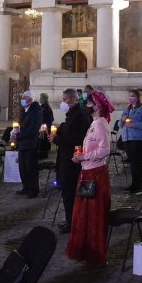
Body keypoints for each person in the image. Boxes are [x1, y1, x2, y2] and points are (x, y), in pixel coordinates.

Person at [66, 89, 112, 265]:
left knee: (94, 216)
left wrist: (84, 157)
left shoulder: (101, 123)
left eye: (90, 103)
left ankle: (96, 253)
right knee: (83, 214)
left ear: (98, 105)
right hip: (87, 171)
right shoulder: (94, 123)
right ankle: (85, 249)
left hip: (96, 174)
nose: (87, 105)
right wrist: (79, 156)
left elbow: (104, 150)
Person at [52, 88, 90, 235]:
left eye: (64, 100)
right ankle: (70, 220)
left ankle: (73, 222)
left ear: (72, 99)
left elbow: (76, 139)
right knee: (67, 194)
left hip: (72, 162)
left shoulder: (80, 115)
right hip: (66, 159)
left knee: (70, 193)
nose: (63, 102)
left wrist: (56, 139)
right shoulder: (72, 114)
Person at [119, 88, 142, 194]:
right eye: (129, 96)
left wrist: (134, 124)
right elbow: (120, 124)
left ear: (138, 97)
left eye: (133, 96)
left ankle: (139, 186)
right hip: (127, 138)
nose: (131, 98)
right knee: (132, 164)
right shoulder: (127, 108)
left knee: (138, 163)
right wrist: (122, 120)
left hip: (138, 139)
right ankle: (133, 185)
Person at [13, 89, 43, 198]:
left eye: (24, 98)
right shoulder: (25, 110)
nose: (22, 100)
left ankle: (33, 189)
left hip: (31, 143)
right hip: (23, 143)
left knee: (31, 168)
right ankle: (26, 187)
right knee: (23, 167)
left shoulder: (36, 110)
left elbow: (34, 128)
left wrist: (19, 135)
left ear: (30, 99)